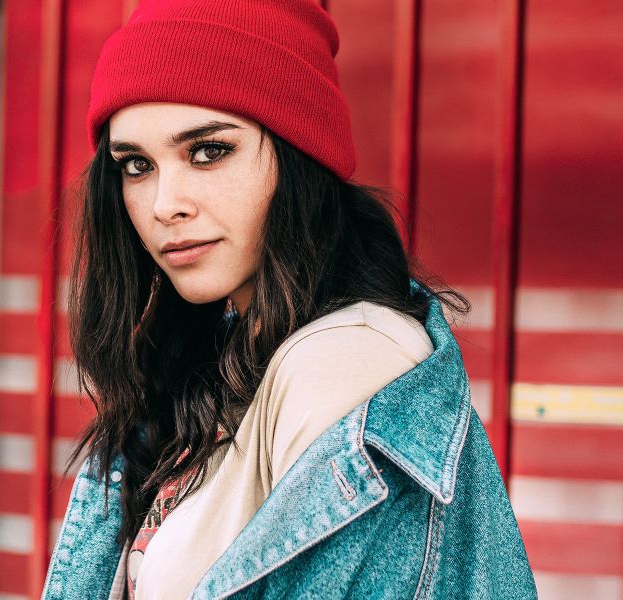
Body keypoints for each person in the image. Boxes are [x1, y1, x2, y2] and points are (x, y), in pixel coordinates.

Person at [42, 1, 537, 598]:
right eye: (137, 165)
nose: (164, 205)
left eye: (208, 151)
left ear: (301, 153)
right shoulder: (222, 360)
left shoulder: (343, 360)